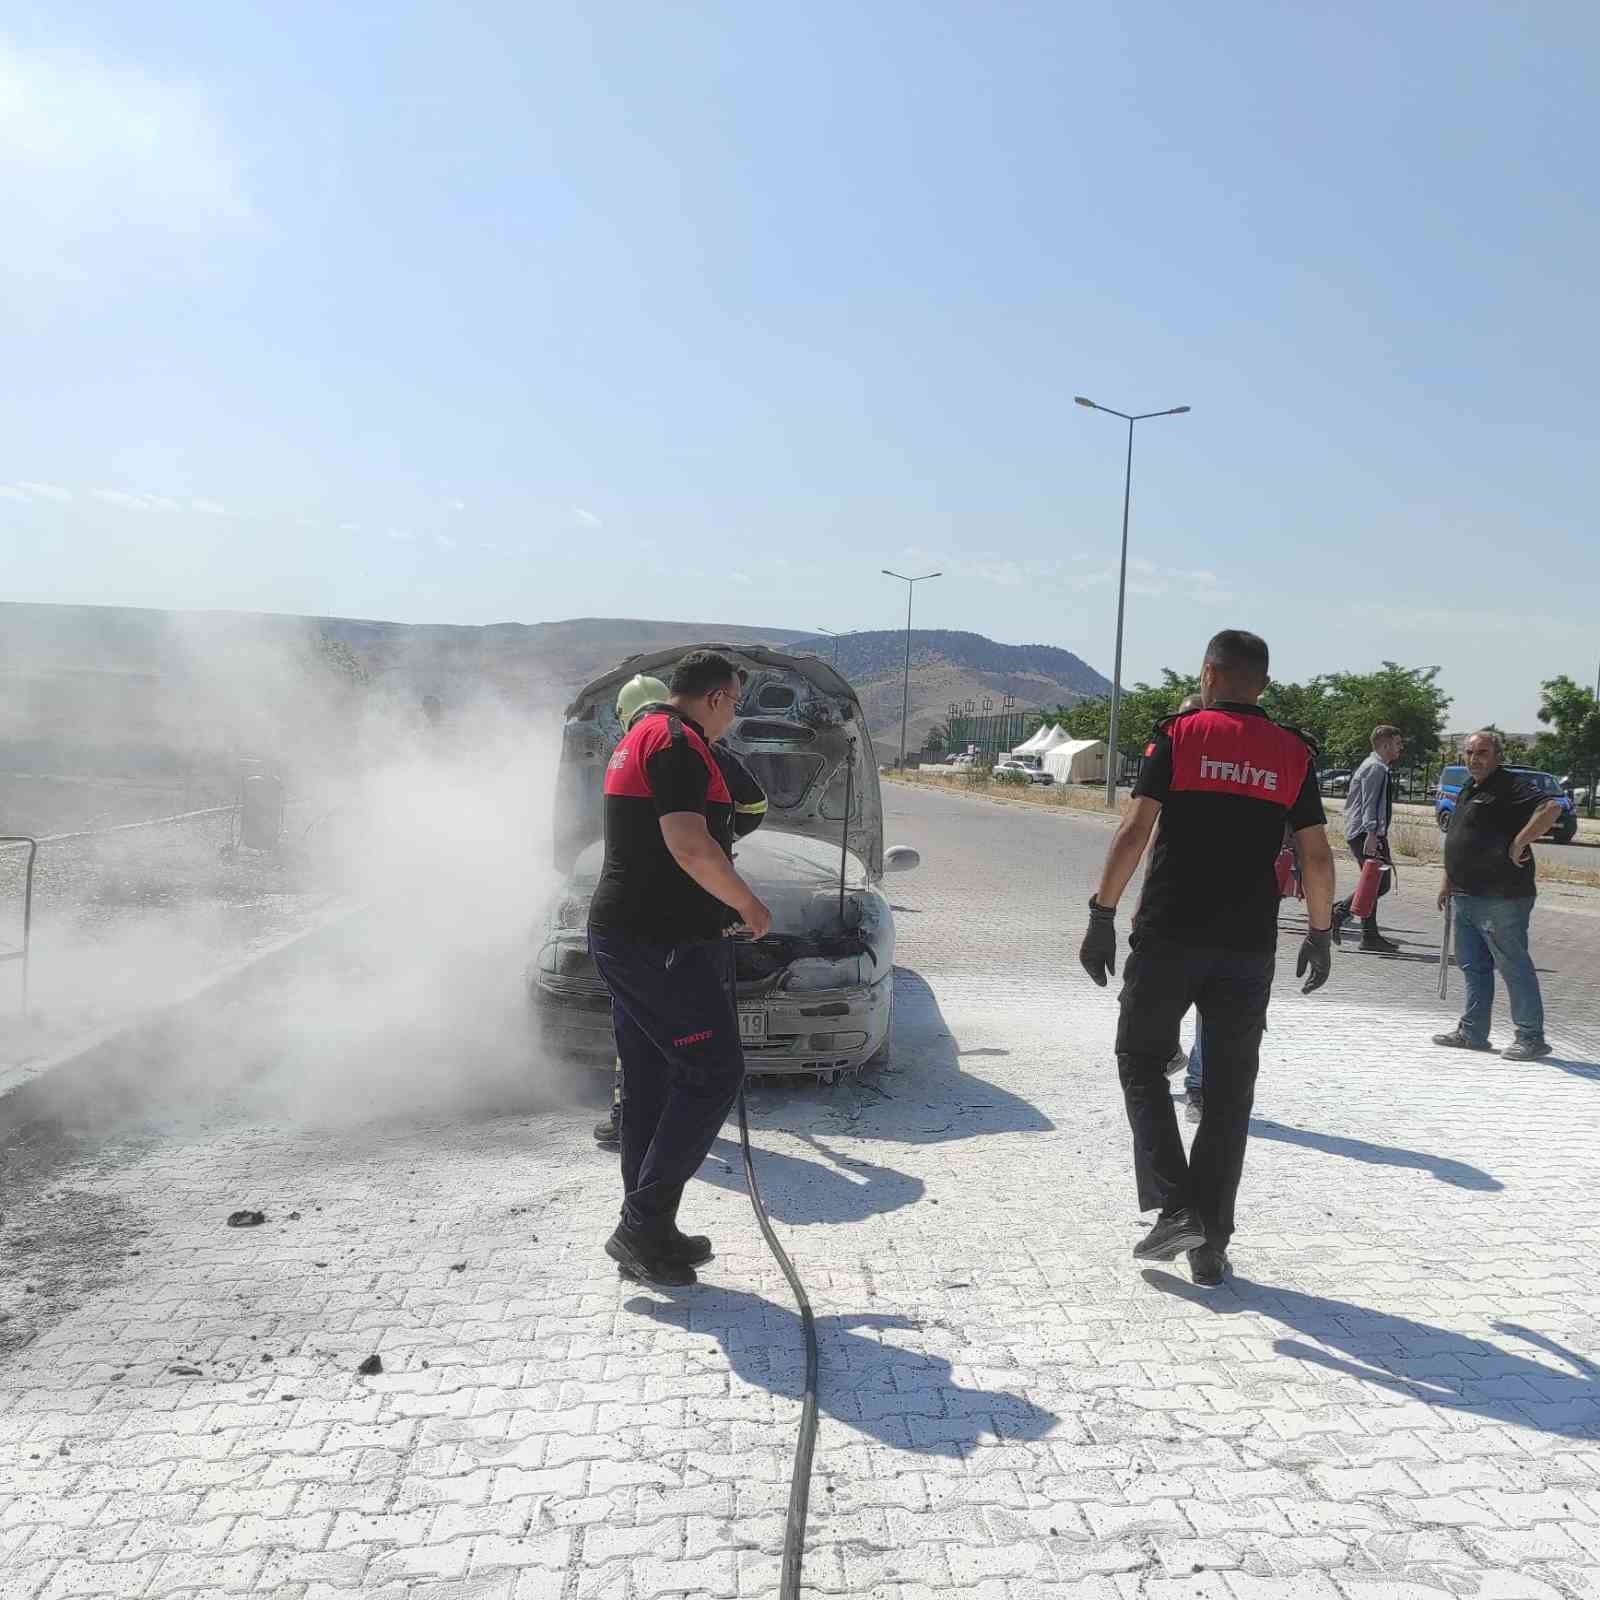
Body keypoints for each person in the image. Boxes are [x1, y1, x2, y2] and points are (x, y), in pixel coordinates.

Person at [1079, 629, 1336, 1288]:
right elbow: (1315, 855)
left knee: (1139, 1056)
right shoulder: (1292, 754)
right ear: (1262, 683)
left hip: (1170, 935)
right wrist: (1320, 930)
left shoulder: (1179, 737)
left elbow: (1135, 829)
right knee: (1227, 1097)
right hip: (1248, 947)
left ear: (1210, 673)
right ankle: (1210, 1245)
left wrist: (1102, 913)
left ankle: (1177, 1205)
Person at [587, 650, 773, 1286]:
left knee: (649, 1086)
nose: (733, 720)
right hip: (658, 942)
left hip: (636, 936)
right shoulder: (674, 741)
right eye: (736, 705)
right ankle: (641, 1223)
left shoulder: (645, 734)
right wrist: (748, 903)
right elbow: (689, 844)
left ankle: (652, 1233)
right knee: (713, 1072)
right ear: (718, 697)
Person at [593, 674, 768, 1149]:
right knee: (664, 1034)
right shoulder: (688, 744)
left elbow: (687, 839)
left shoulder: (658, 745)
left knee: (649, 1033)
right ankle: (645, 1143)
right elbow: (754, 804)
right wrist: (719, 840)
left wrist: (710, 844)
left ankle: (632, 1123)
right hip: (673, 913)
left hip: (657, 920)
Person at [1432, 728, 1563, 1060]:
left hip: (1502, 897)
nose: (1474, 759)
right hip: (1465, 894)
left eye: (1482, 753)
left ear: (1498, 757)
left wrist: (1520, 841)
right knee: (1473, 966)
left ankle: (1531, 1036)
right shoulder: (1468, 787)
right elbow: (1459, 837)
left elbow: (1551, 809)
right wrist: (1448, 880)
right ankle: (1473, 1032)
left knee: (1513, 966)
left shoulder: (1511, 786)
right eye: (1470, 753)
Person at [1330, 725, 1405, 952]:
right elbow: (1370, 804)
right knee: (1378, 883)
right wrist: (1372, 834)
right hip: (1367, 833)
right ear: (1385, 744)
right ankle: (1339, 913)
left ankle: (1369, 936)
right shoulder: (1376, 769)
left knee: (1373, 882)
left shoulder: (1374, 766)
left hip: (1364, 832)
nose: (1400, 748)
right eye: (1397, 743)